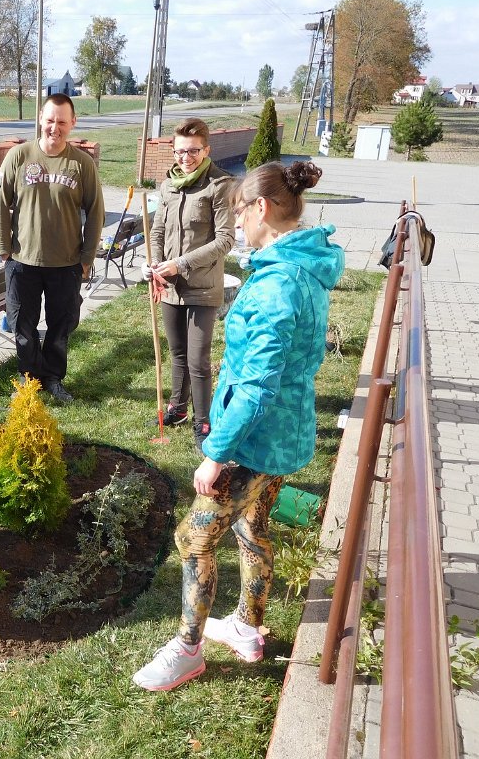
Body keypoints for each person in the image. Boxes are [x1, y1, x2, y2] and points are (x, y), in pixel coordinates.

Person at [132, 161, 345, 691]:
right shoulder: (301, 267)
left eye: (239, 212)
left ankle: (187, 648)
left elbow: (256, 386)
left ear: (262, 209)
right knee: (253, 528)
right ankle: (248, 627)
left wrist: (217, 453)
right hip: (284, 433)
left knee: (194, 538)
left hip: (254, 439)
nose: (239, 225)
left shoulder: (278, 286)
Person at [0, 93, 105, 403]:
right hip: (22, 260)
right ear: (41, 118)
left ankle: (53, 378)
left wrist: (86, 258)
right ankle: (29, 378)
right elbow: (0, 203)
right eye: (50, 120)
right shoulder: (18, 156)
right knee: (23, 326)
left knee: (61, 325)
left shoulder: (81, 163)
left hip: (66, 263)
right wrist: (3, 249)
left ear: (73, 123)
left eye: (62, 122)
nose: (55, 127)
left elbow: (96, 212)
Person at [142, 118, 235, 443]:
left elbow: (225, 240)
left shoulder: (220, 184)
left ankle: (204, 423)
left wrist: (179, 264)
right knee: (177, 353)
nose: (186, 158)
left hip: (202, 287)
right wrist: (154, 265)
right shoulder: (168, 185)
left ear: (206, 149)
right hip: (169, 287)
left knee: (198, 360)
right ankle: (178, 408)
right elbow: (157, 232)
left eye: (193, 151)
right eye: (180, 151)